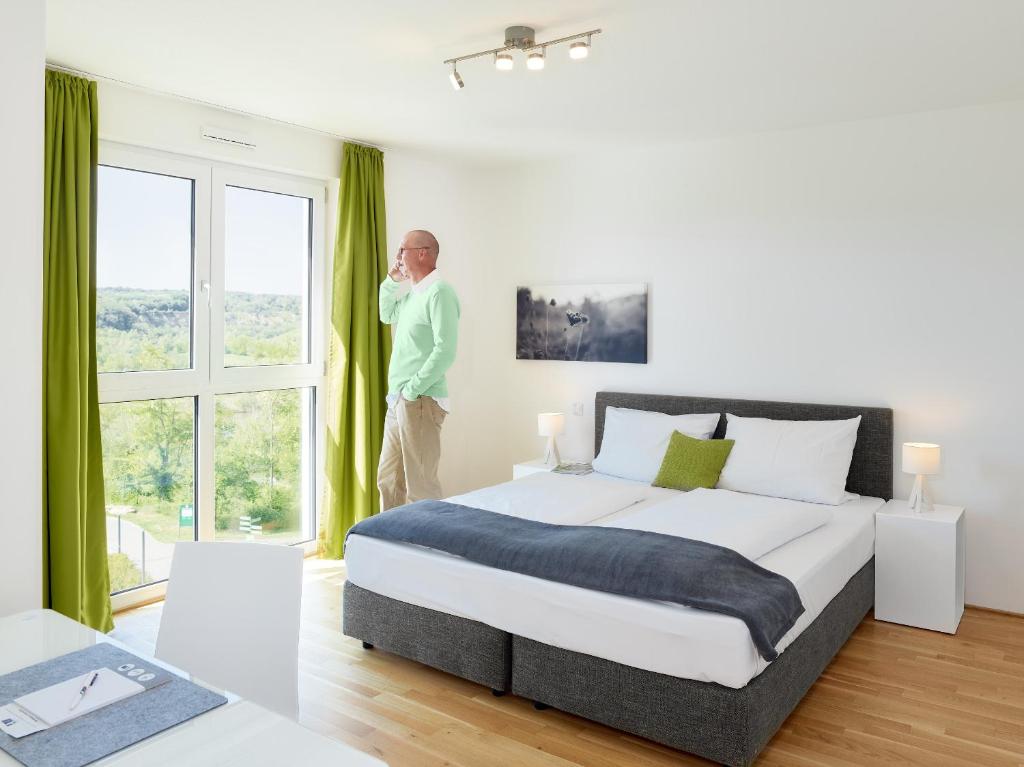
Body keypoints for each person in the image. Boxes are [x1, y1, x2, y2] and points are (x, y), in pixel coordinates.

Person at [376, 229, 460, 511]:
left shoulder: (440, 292)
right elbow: (386, 314)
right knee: (389, 481)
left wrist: (412, 390)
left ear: (422, 253)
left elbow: (445, 350)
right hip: (400, 399)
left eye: (403, 250)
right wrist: (391, 281)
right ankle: (389, 547)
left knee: (420, 488)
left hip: (420, 399)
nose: (398, 256)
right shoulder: (414, 296)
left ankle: (426, 551)